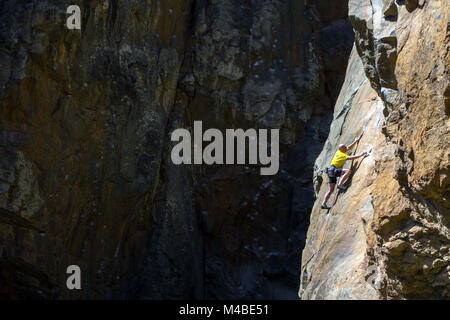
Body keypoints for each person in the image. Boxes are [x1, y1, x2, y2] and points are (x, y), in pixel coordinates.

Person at [321, 137, 368, 209]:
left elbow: (348, 148)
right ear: (342, 149)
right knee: (348, 171)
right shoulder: (343, 155)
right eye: (344, 147)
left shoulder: (338, 152)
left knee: (330, 190)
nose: (346, 147)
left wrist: (355, 141)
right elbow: (352, 157)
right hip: (333, 170)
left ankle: (323, 204)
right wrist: (362, 154)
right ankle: (340, 184)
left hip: (330, 170)